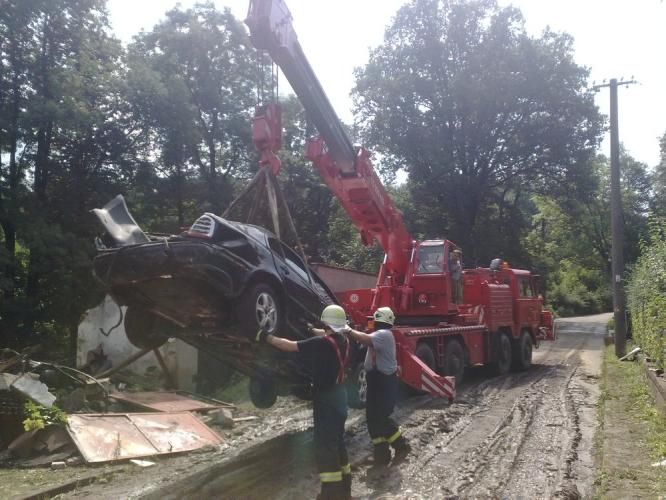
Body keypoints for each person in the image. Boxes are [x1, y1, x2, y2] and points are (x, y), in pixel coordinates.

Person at [255, 305, 352, 500]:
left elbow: (288, 345)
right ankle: (345, 490)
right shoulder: (344, 341)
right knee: (337, 442)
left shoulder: (322, 343)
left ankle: (330, 494)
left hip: (326, 399)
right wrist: (309, 328)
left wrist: (265, 336)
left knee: (326, 446)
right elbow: (323, 334)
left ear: (325, 323)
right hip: (340, 397)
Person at [344, 306, 411, 465]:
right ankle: (381, 454)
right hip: (375, 380)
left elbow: (365, 339)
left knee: (380, 417)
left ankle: (401, 444)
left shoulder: (384, 335)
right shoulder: (379, 335)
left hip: (384, 381)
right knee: (372, 418)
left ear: (377, 321)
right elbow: (363, 338)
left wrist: (347, 330)